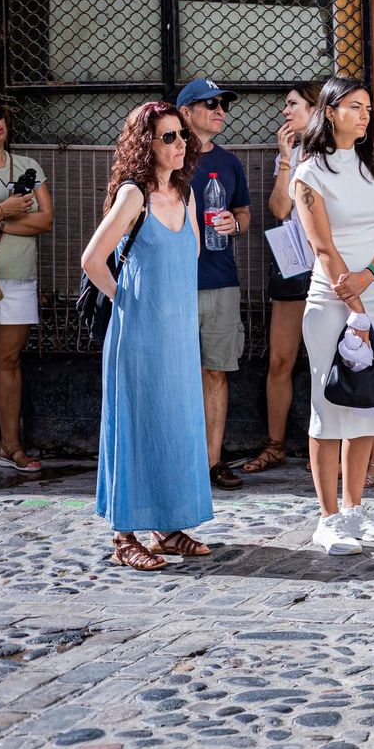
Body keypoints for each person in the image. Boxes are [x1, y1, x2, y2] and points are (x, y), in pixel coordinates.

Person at [81, 102, 213, 571]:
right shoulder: (133, 195)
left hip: (177, 335)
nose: (180, 144)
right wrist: (127, 302)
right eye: (168, 138)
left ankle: (166, 526)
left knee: (174, 425)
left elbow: (189, 256)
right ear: (146, 144)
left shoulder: (187, 192)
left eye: (182, 135)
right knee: (135, 427)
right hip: (138, 335)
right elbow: (92, 260)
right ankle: (123, 535)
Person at [294, 76, 374, 554]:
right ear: (331, 111)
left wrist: (369, 277)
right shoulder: (309, 174)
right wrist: (353, 299)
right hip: (332, 302)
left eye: (368, 107)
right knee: (331, 404)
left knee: (368, 404)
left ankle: (355, 510)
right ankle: (328, 518)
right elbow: (322, 246)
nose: (364, 114)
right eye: (354, 106)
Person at [241, 82, 321, 476]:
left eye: (293, 104)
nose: (286, 111)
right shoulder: (289, 154)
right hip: (291, 260)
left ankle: (327, 445)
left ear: (315, 108)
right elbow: (278, 207)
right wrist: (286, 159)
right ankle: (275, 445)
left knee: (327, 359)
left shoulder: (337, 152)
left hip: (327, 263)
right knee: (280, 359)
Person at [176, 77, 250, 492]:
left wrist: (234, 225)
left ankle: (213, 461)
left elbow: (244, 215)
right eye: (210, 104)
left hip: (220, 282)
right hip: (175, 284)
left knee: (216, 372)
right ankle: (179, 460)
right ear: (186, 112)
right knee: (175, 374)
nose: (220, 110)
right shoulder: (166, 158)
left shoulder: (229, 162)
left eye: (223, 104)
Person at [0, 90, 53, 473]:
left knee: (7, 360)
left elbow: (45, 220)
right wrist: (5, 209)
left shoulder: (27, 164)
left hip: (18, 276)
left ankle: (11, 447)